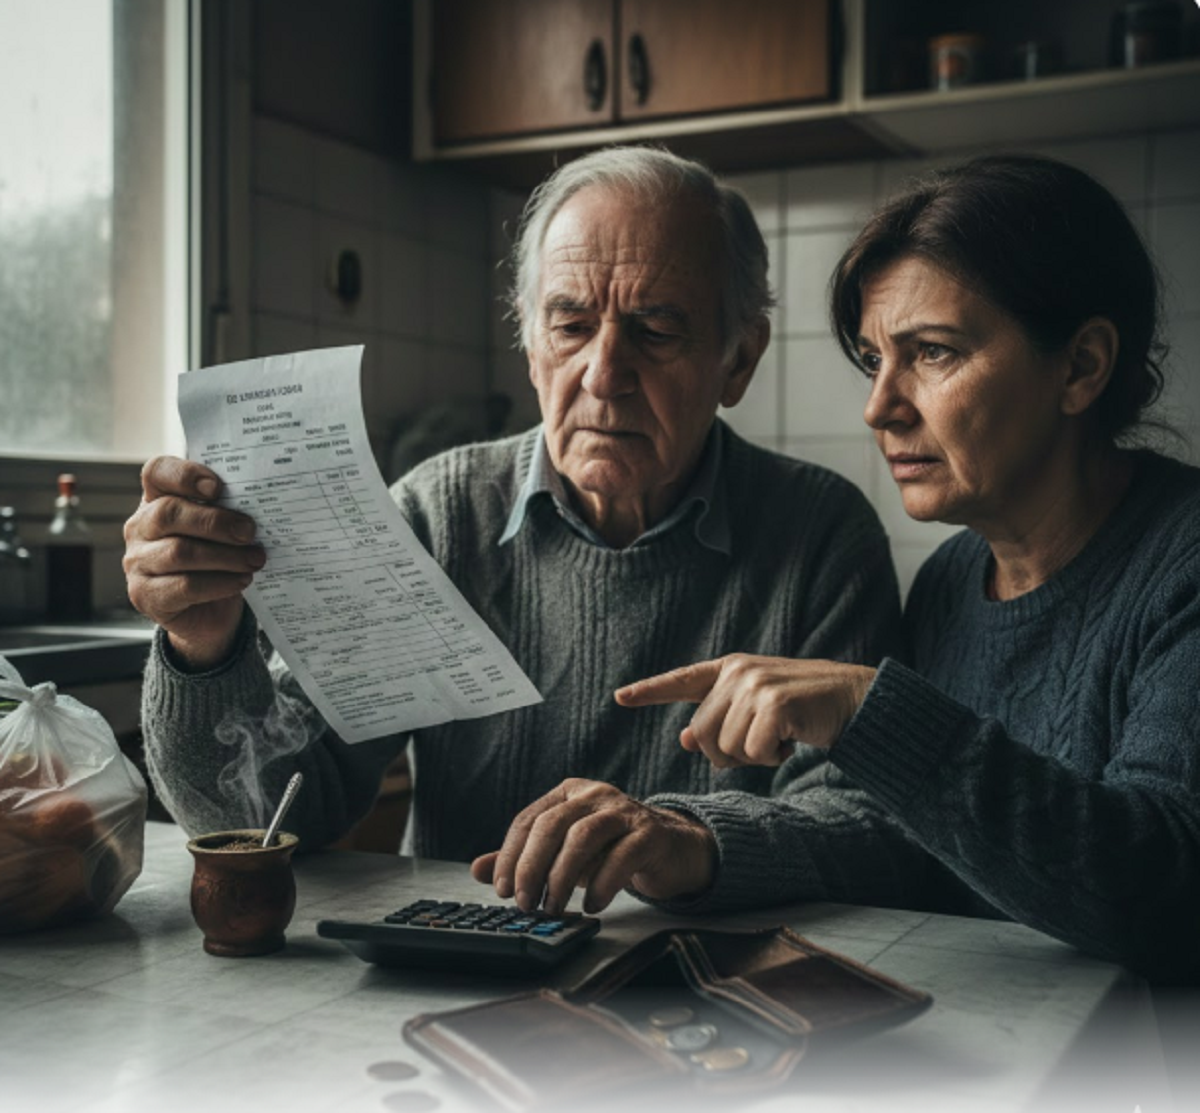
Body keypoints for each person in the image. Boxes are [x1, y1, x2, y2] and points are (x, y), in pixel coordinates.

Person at [125, 145, 904, 915]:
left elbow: (866, 829)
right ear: (531, 348)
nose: (603, 374)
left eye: (656, 330)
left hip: (722, 994)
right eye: (569, 324)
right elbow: (267, 818)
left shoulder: (821, 537)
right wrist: (203, 648)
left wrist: (689, 839)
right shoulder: (438, 516)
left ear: (738, 359)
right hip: (459, 970)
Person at [617, 154, 1200, 983]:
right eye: (872, 358)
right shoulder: (949, 584)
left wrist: (870, 708)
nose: (879, 406)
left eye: (931, 352)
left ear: (1081, 367)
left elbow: (1169, 888)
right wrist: (697, 845)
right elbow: (917, 848)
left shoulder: (1183, 563)